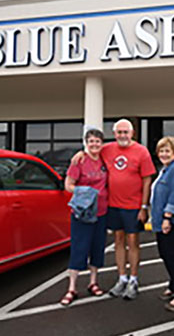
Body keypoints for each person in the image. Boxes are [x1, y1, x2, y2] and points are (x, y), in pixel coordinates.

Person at [72, 119, 156, 300]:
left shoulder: (142, 152)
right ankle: (122, 278)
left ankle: (133, 280)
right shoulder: (107, 149)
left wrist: (144, 206)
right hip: (113, 205)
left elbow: (147, 180)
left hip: (133, 206)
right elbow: (92, 149)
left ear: (132, 133)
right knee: (118, 240)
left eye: (125, 132)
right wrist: (79, 153)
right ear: (114, 133)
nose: (122, 135)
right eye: (119, 132)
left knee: (133, 242)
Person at [60, 128, 108, 306]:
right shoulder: (79, 161)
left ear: (102, 143)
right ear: (86, 143)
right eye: (91, 141)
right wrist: (83, 191)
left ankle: (93, 282)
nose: (94, 144)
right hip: (82, 213)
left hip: (101, 212)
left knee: (97, 249)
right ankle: (72, 287)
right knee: (79, 248)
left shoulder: (104, 159)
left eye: (98, 141)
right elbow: (68, 185)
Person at [150, 136, 174, 312]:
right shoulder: (164, 170)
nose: (164, 154)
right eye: (161, 151)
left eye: (167, 151)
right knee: (166, 255)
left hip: (171, 222)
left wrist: (168, 217)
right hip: (161, 221)